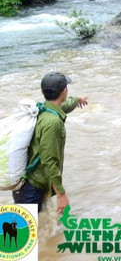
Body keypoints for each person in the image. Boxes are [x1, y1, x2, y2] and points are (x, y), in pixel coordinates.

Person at [13, 72, 88, 214]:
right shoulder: (52, 123)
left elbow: (66, 105)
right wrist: (61, 194)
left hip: (30, 185)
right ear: (64, 91)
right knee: (22, 235)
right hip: (31, 190)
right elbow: (49, 160)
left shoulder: (43, 109)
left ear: (42, 91)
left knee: (36, 232)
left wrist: (78, 99)